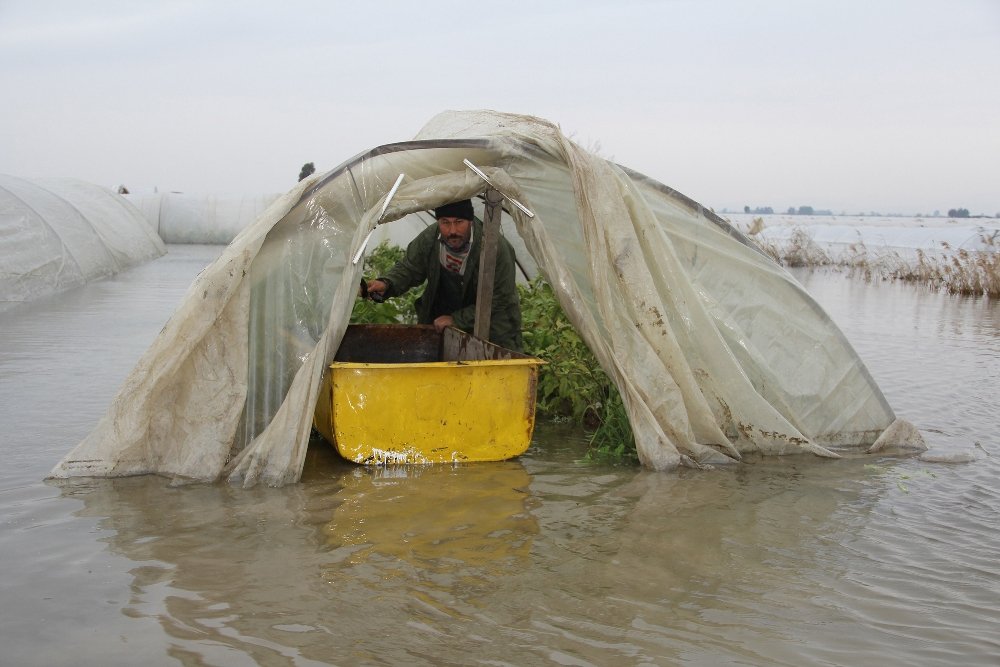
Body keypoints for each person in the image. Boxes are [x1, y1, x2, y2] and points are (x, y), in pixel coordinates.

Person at [365, 199, 523, 351]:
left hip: (493, 330)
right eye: (445, 222)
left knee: (489, 373)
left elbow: (499, 298)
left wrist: (456, 320)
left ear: (470, 220)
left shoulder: (494, 247)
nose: (452, 230)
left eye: (459, 222)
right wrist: (387, 283)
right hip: (445, 323)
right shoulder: (431, 238)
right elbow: (410, 267)